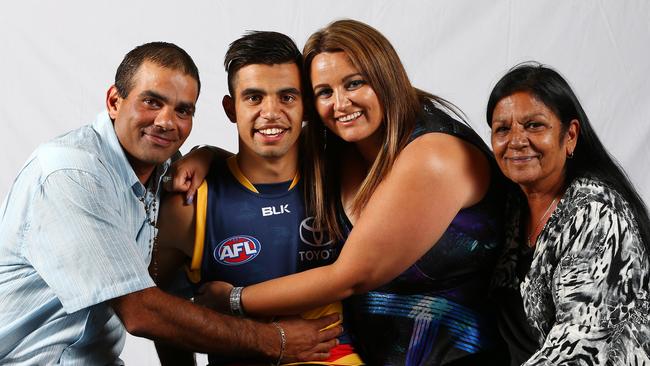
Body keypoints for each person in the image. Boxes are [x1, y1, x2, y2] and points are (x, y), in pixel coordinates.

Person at [174, 20, 507, 365]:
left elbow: (349, 277)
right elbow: (263, 157)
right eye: (324, 92)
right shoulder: (336, 144)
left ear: (386, 77)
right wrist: (208, 155)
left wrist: (233, 300)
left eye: (355, 83)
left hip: (457, 356)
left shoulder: (434, 155)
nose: (341, 103)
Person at [0, 41, 340, 365]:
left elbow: (170, 296)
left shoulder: (167, 171)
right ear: (114, 101)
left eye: (182, 110)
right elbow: (143, 311)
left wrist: (209, 155)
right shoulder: (71, 173)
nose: (166, 121)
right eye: (151, 102)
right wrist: (275, 341)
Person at [154, 31, 362, 365]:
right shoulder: (190, 202)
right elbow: (158, 311)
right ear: (230, 107)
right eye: (253, 97)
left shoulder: (342, 178)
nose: (271, 112)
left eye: (287, 97)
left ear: (306, 105)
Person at [487, 62, 650, 365]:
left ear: (570, 135)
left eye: (534, 125)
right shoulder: (512, 203)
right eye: (503, 129)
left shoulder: (597, 216)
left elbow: (579, 350)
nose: (516, 141)